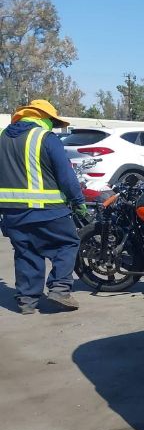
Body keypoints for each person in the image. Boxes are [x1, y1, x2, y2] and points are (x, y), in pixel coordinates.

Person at [0, 99, 86, 314]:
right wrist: (78, 201)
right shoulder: (45, 138)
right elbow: (65, 176)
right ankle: (59, 288)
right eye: (52, 121)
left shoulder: (2, 139)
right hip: (48, 210)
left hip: (12, 213)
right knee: (67, 244)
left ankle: (27, 302)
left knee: (26, 252)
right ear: (44, 118)